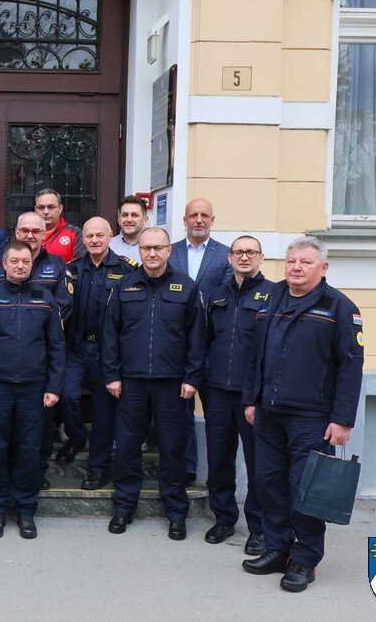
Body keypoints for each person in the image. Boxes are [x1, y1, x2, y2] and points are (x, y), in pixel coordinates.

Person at [241, 237, 363, 593]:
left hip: (311, 417)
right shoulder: (271, 297)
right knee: (269, 484)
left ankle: (305, 559)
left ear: (322, 268)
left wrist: (343, 419)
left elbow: (351, 366)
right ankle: (278, 549)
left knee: (303, 490)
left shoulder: (339, 307)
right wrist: (251, 400)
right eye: (292, 261)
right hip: (269, 413)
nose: (296, 267)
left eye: (305, 262)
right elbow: (255, 355)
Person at [102, 227, 205, 541]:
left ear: (169, 250)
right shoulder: (124, 286)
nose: (152, 253)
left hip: (172, 385)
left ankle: (176, 512)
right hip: (131, 383)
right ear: (140, 251)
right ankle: (124, 506)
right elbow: (110, 335)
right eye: (146, 248)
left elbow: (197, 339)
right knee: (127, 448)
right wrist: (112, 375)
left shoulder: (186, 288)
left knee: (173, 450)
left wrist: (192, 377)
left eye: (158, 248)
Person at [0, 240, 65, 539]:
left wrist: (54, 386)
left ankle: (25, 510)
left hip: (35, 388)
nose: (20, 265)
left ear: (31, 264)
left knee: (30, 450)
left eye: (25, 261)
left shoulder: (46, 298)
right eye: (14, 261)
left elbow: (58, 347)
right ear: (4, 264)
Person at [203, 235, 271, 555]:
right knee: (219, 458)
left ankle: (258, 527)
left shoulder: (273, 294)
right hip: (217, 390)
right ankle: (224, 518)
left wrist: (259, 394)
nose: (244, 257)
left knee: (257, 462)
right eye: (238, 252)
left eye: (251, 252)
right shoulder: (216, 293)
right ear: (229, 258)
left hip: (252, 396)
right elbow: (203, 340)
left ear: (261, 258)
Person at [60, 218, 137, 488]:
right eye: (89, 236)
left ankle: (98, 467)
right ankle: (77, 437)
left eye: (99, 236)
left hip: (108, 352)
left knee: (104, 412)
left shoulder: (126, 270)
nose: (94, 240)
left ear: (110, 236)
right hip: (76, 348)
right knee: (67, 396)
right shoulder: (72, 270)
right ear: (83, 240)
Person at [168, 197, 233, 485]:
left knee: (216, 418)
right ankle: (187, 469)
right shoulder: (171, 253)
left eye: (204, 215)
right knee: (181, 414)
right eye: (193, 215)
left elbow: (228, 296)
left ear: (212, 220)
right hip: (178, 346)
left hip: (214, 346)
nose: (198, 220)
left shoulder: (227, 255)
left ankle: (217, 479)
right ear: (184, 220)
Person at [12, 211, 72, 490]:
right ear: (16, 233)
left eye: (36, 231)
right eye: (25, 230)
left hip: (45, 354)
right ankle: (13, 469)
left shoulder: (57, 265)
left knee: (43, 418)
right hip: (11, 353)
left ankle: (38, 469)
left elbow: (65, 305)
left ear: (44, 234)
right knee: (12, 420)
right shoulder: (6, 262)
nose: (30, 236)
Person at [34, 189, 85, 264]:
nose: (46, 212)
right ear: (35, 209)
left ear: (60, 209)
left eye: (51, 207)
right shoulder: (26, 232)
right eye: (41, 208)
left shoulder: (74, 233)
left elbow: (81, 264)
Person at [110, 195, 148, 263]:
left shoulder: (154, 248)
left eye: (134, 215)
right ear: (119, 220)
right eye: (125, 215)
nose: (129, 220)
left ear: (145, 220)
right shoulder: (108, 246)